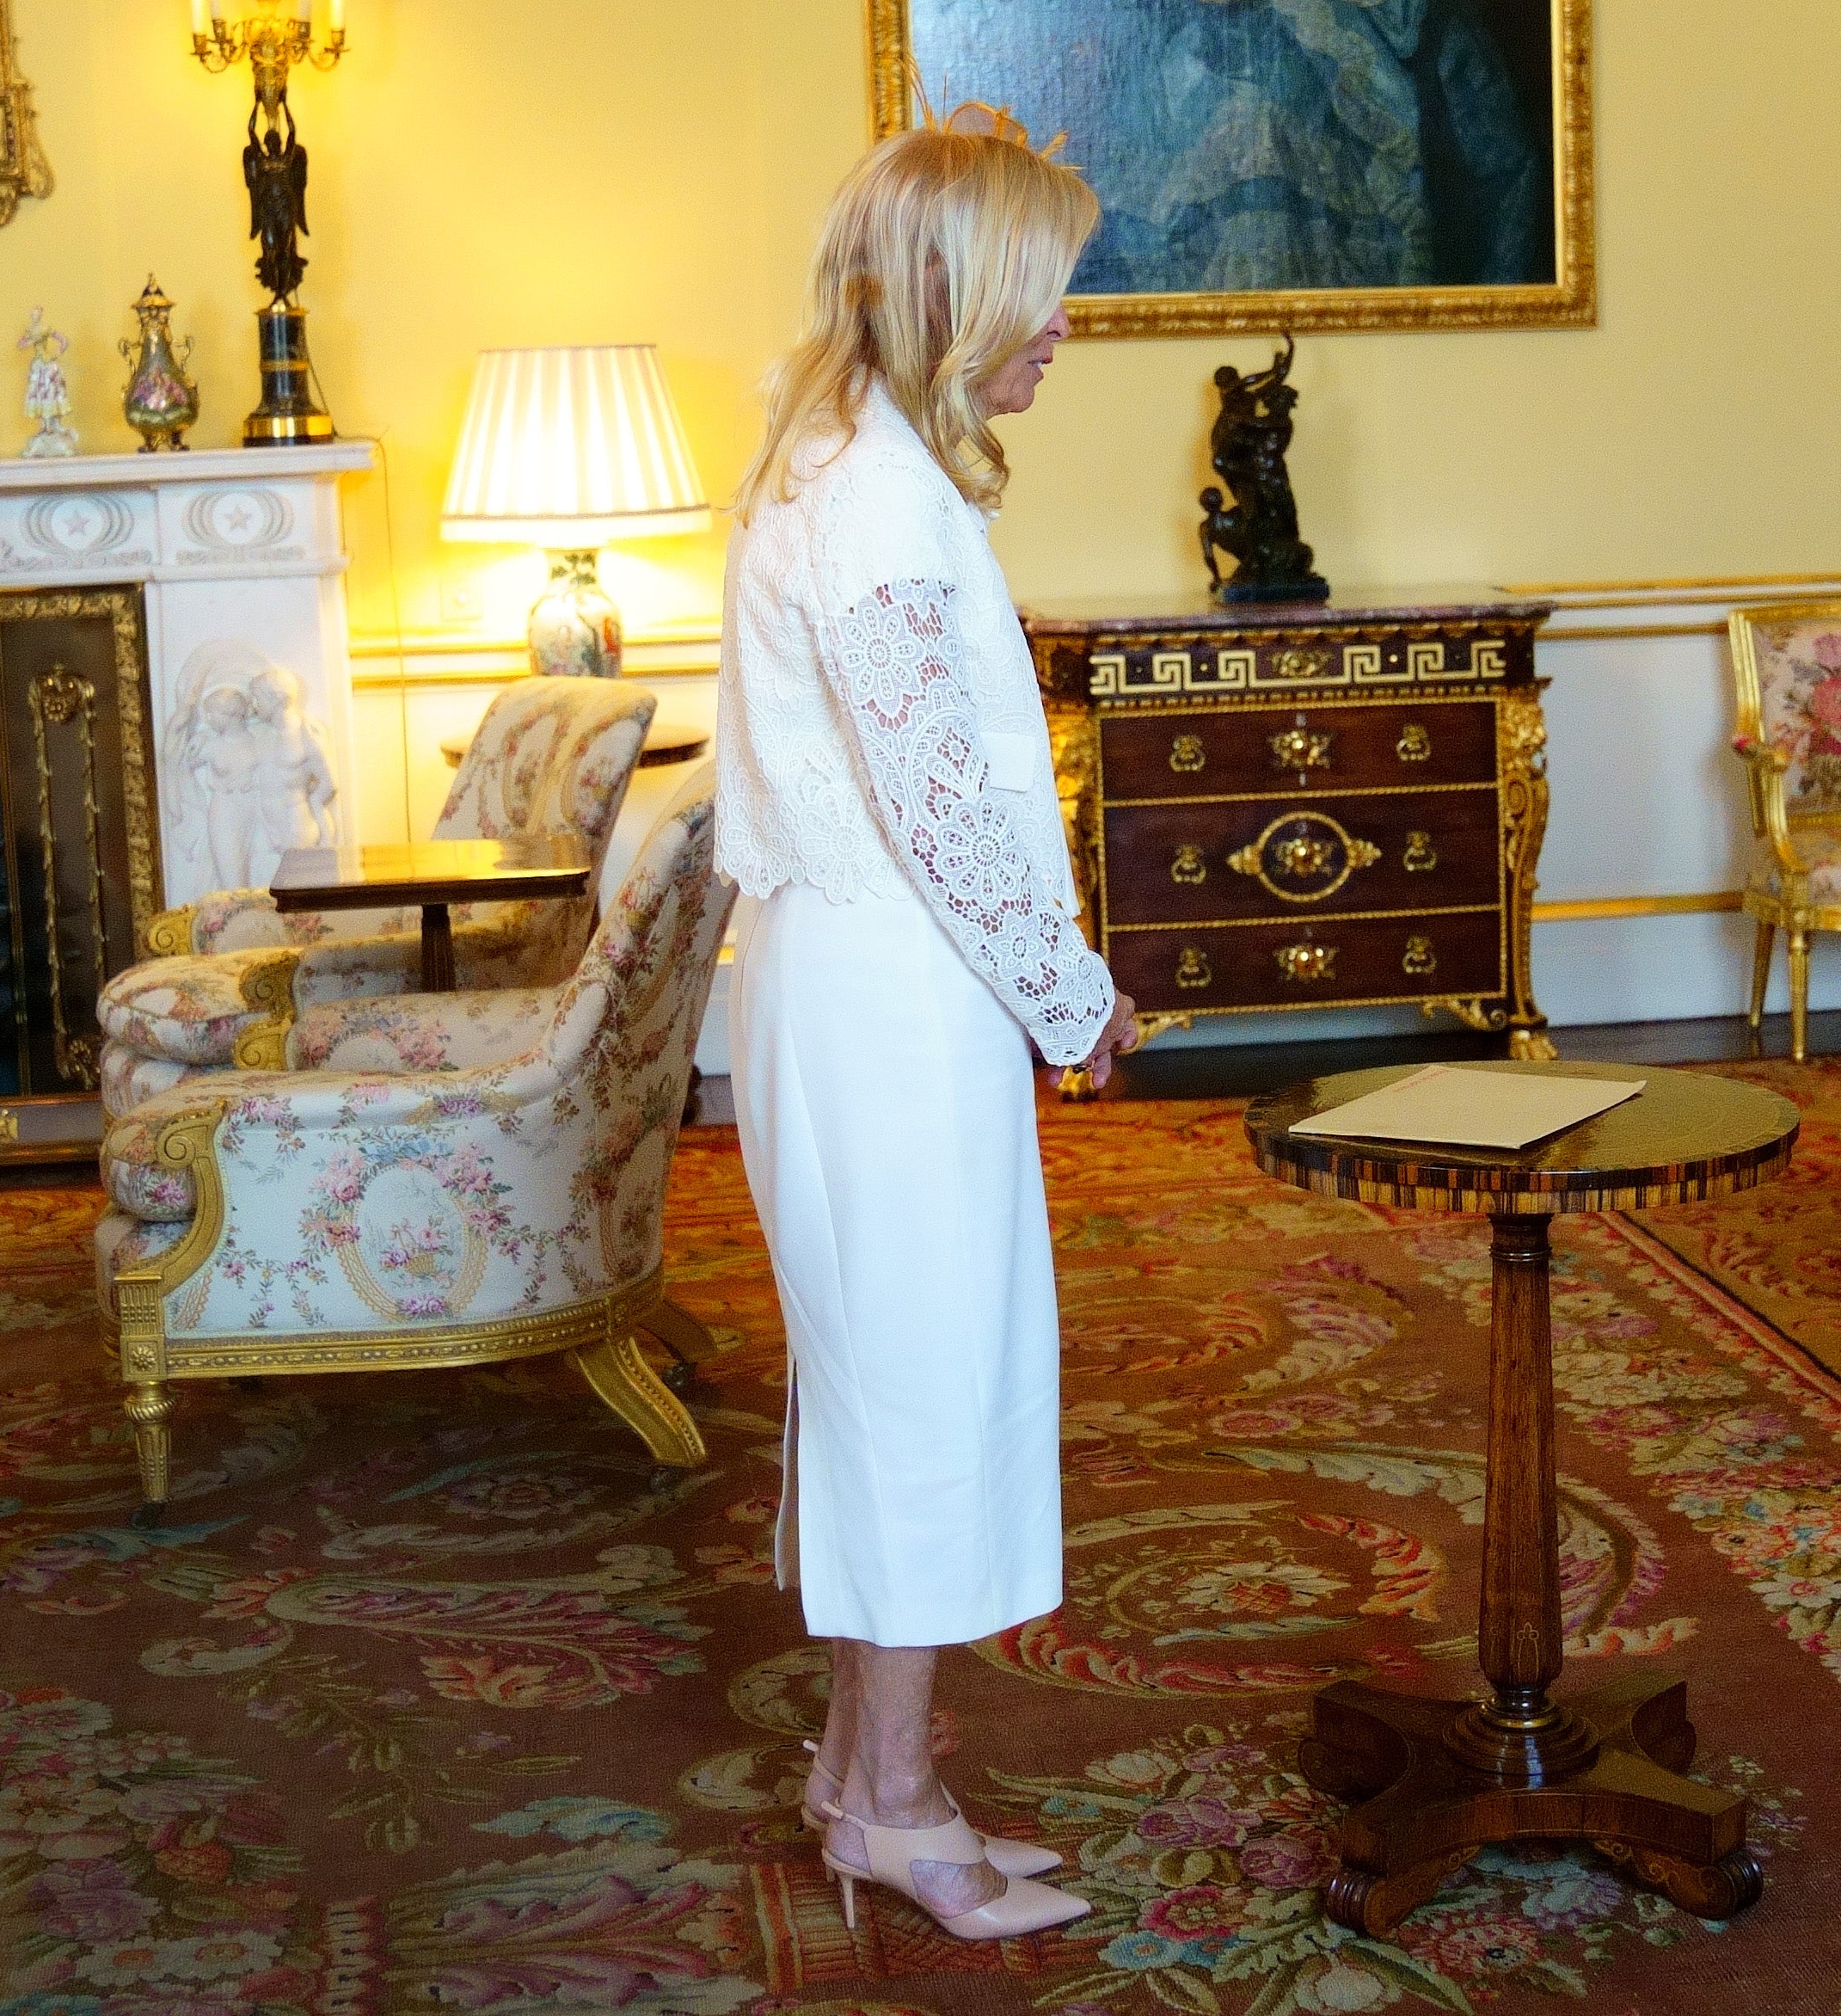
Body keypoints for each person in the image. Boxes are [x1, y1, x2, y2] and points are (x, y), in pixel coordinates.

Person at [717, 108, 1136, 1943]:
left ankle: (861, 1774)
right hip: (896, 996)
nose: (1069, 326)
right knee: (913, 1392)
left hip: (873, 984)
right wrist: (1074, 999)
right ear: (962, 291)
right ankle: (891, 1804)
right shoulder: (875, 495)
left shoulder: (848, 453)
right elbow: (941, 802)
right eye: (1050, 293)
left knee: (894, 1378)